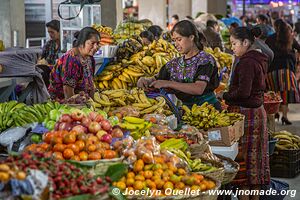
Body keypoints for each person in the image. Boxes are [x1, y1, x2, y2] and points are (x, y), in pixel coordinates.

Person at [219, 27, 270, 200]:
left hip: (247, 115)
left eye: (234, 43)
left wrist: (224, 95)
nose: (232, 47)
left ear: (246, 43)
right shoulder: (258, 58)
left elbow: (243, 93)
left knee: (244, 166)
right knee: (253, 167)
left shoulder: (247, 62)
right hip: (256, 113)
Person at [137, 20, 221, 110]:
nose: (176, 44)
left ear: (191, 37)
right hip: (186, 112)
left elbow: (198, 89)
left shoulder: (205, 59)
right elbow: (156, 79)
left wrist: (168, 83)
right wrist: (145, 80)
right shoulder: (174, 64)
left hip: (209, 111)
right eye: (174, 40)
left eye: (179, 39)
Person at [48, 27, 100, 100]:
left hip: (83, 102)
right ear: (82, 42)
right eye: (92, 43)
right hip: (62, 103)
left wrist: (93, 104)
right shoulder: (71, 59)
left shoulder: (90, 59)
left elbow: (91, 85)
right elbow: (68, 91)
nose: (96, 47)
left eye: (98, 43)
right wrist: (76, 108)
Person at [265, 19, 300, 124]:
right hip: (287, 70)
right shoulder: (290, 38)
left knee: (273, 94)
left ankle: (274, 113)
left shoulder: (270, 39)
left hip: (272, 70)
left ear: (275, 27)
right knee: (285, 95)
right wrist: (297, 61)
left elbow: (265, 53)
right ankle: (284, 116)